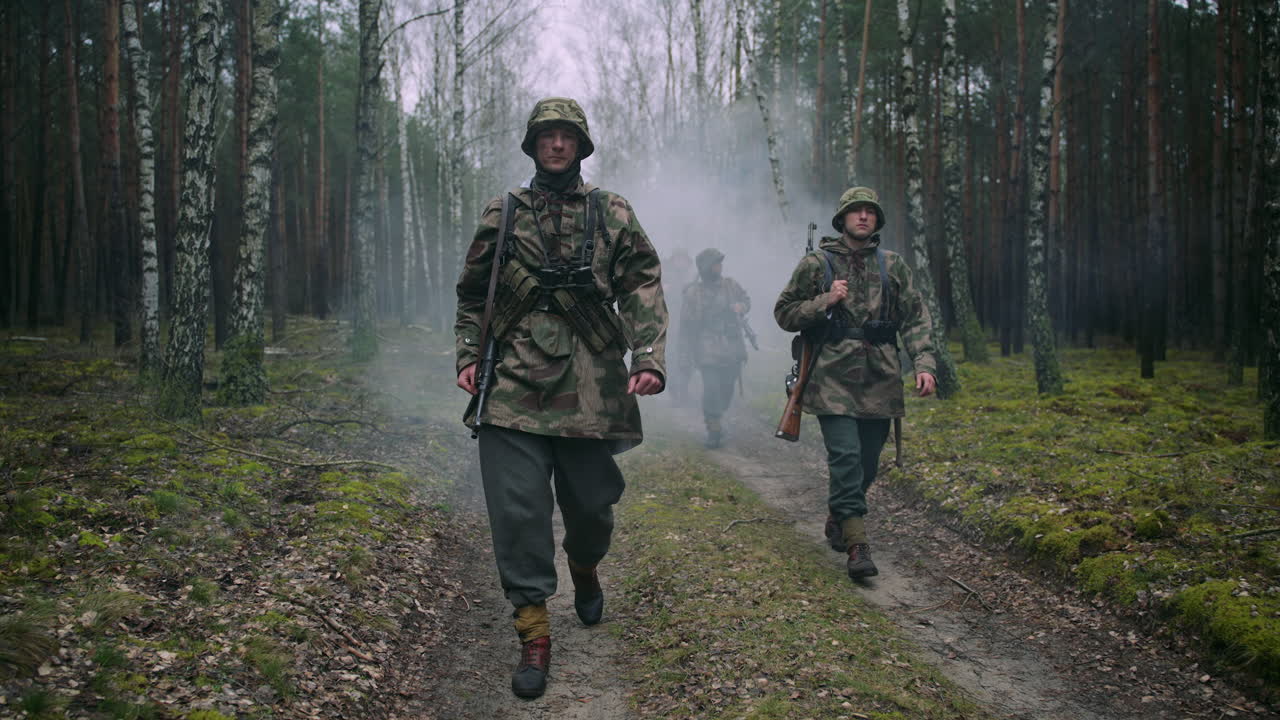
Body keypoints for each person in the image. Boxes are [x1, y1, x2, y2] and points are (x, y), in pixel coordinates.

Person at [454, 97, 668, 698]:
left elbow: (643, 283)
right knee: (517, 513)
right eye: (546, 136)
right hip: (513, 388)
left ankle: (585, 566)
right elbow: (473, 293)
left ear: (580, 146)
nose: (556, 145)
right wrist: (470, 356)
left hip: (592, 388)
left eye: (566, 136)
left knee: (592, 508)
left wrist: (649, 357)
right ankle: (533, 631)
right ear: (533, 145)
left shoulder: (611, 211)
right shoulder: (505, 212)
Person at [773, 187, 936, 580]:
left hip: (881, 376)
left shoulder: (892, 265)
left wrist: (924, 362)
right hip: (831, 375)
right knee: (845, 457)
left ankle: (839, 514)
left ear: (876, 220)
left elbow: (915, 316)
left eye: (869, 212)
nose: (863, 217)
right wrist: (824, 301)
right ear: (842, 219)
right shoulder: (817, 263)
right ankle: (857, 542)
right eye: (855, 211)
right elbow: (784, 312)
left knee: (866, 463)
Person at [679, 248, 751, 448]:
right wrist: (685, 356)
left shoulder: (730, 286)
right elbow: (685, 328)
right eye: (715, 263)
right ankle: (714, 427)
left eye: (720, 263)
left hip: (731, 346)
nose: (719, 267)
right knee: (711, 388)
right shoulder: (693, 293)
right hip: (706, 346)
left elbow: (746, 300)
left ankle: (717, 415)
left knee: (726, 389)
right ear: (706, 267)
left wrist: (741, 307)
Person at [663, 248, 694, 402]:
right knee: (672, 356)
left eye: (684, 259)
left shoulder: (691, 279)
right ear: (673, 259)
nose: (681, 262)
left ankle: (683, 391)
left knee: (688, 358)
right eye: (678, 259)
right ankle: (675, 392)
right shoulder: (665, 275)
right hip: (671, 323)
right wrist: (664, 290)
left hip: (688, 325)